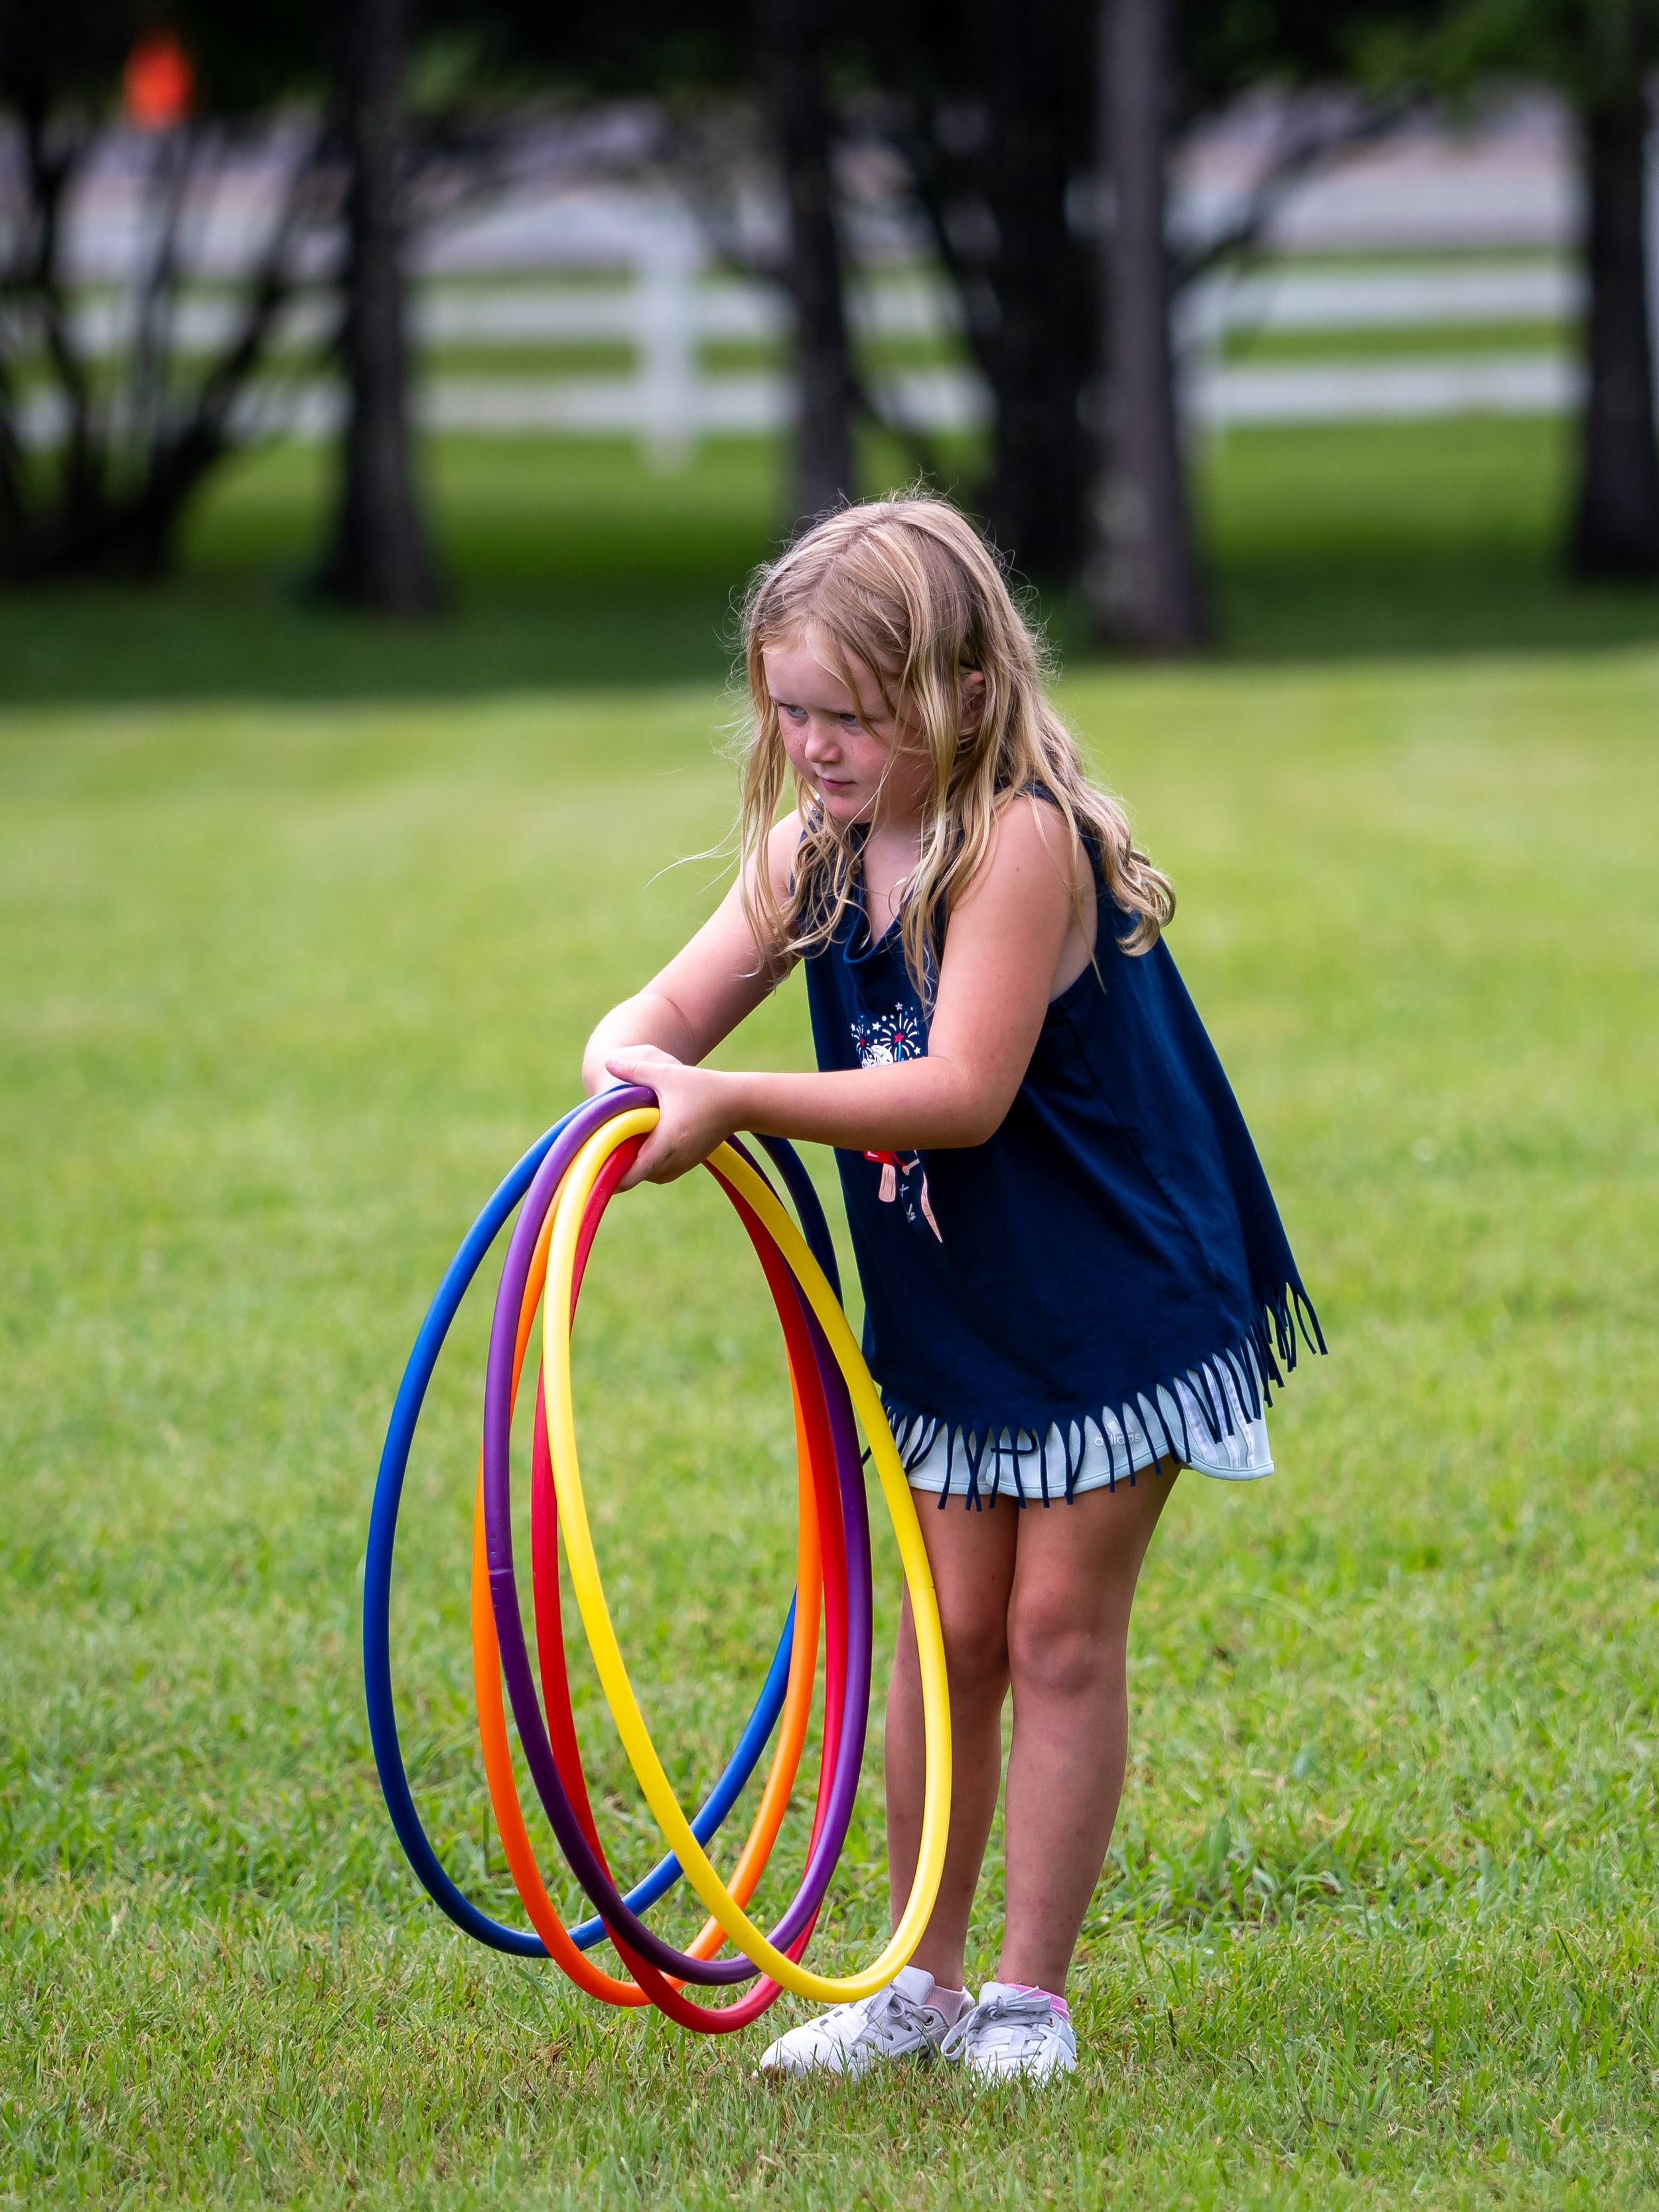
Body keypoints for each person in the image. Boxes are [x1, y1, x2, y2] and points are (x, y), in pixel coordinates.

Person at [583, 495, 1322, 2083]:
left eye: (850, 716)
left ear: (961, 697)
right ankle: (915, 1980)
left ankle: (1026, 1995)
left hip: (1113, 1302)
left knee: (1054, 1627)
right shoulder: (811, 853)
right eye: (791, 711)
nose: (817, 747)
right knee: (943, 1633)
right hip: (956, 1311)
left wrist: (735, 1103)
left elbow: (960, 1091)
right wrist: (627, 1070)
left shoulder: (1019, 841)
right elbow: (663, 1009)